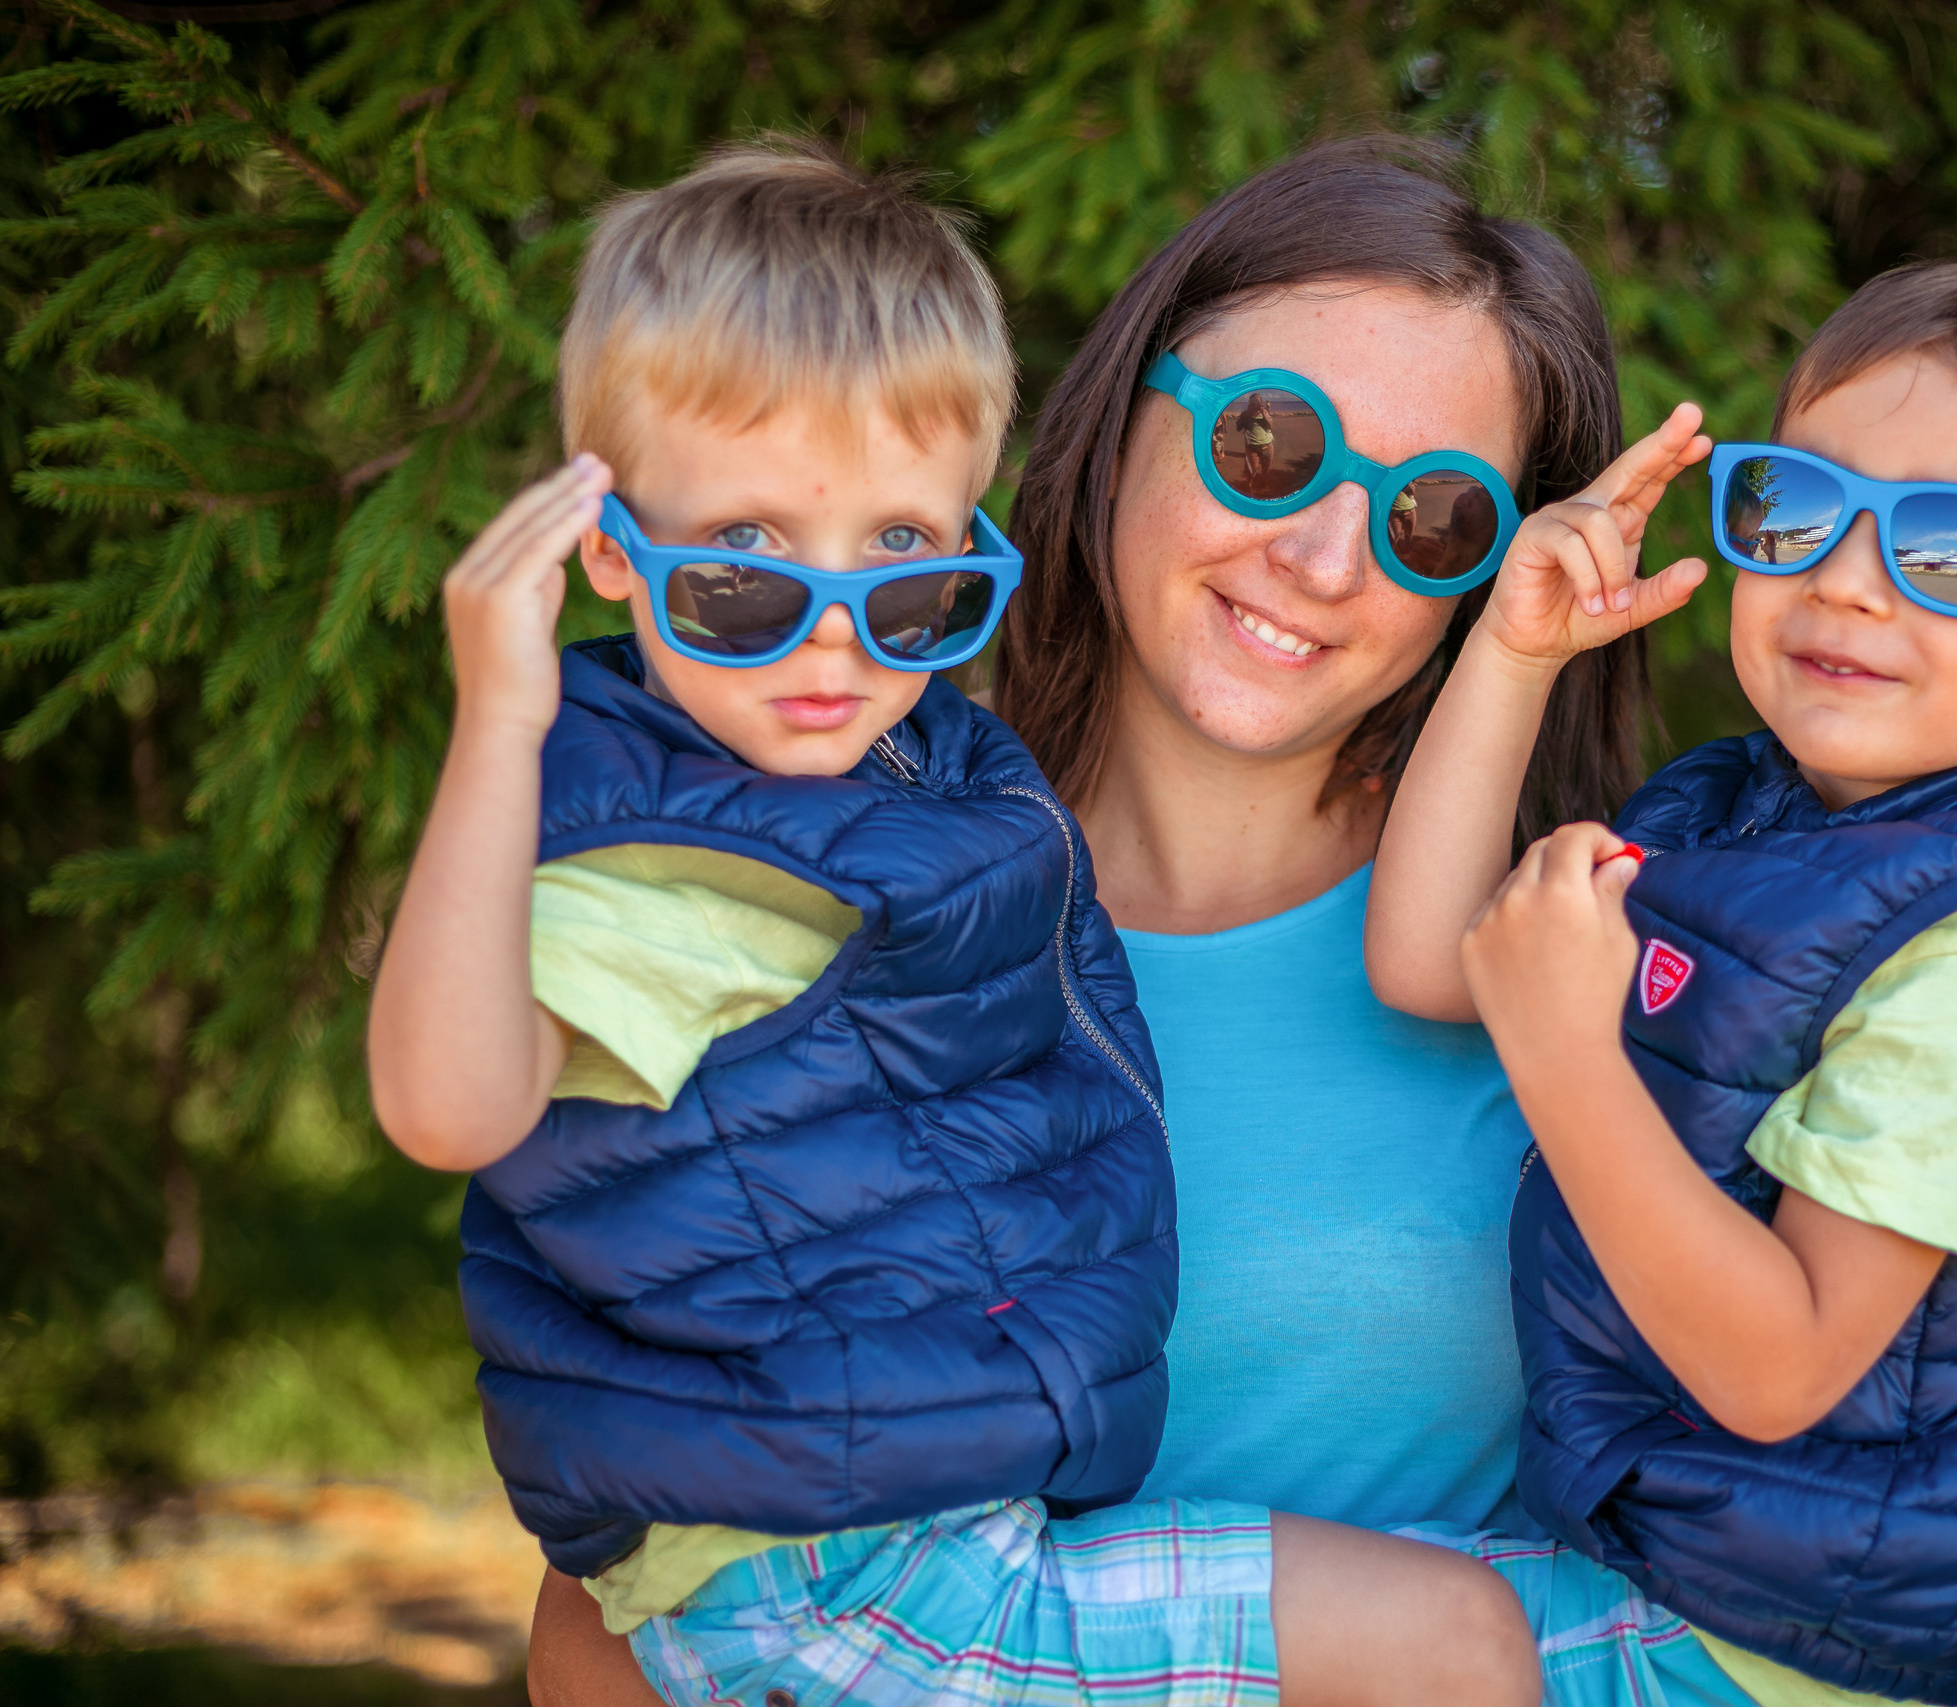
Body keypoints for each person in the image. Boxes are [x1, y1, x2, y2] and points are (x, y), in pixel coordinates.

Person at [525, 138, 1729, 1707]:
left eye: (1436, 517)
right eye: (1268, 442)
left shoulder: (1563, 959)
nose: (1324, 558)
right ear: (1120, 420)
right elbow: (627, 1578)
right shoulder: (846, 886)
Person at [1368, 257, 1957, 1705]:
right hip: (1668, 1567)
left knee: (1195, 1620)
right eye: (1796, 507)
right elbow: (1436, 960)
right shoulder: (1753, 818)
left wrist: (1568, 1055)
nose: (1844, 579)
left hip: (1776, 1655)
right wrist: (1513, 653)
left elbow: (1780, 1371)